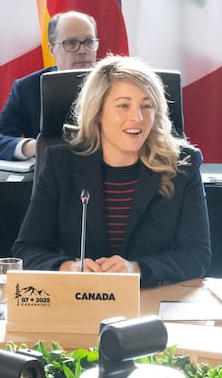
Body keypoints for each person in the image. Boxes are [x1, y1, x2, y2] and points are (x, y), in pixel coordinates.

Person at [14, 55, 210, 286]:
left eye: (146, 106)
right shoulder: (61, 163)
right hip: (81, 299)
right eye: (123, 105)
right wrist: (70, 268)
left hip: (150, 300)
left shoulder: (182, 165)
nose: (137, 118)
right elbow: (27, 250)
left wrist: (137, 269)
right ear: (97, 112)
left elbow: (197, 255)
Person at [0, 11, 99, 161]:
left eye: (89, 42)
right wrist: (33, 146)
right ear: (52, 50)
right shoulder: (28, 88)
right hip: (52, 177)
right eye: (71, 43)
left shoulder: (117, 82)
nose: (82, 50)